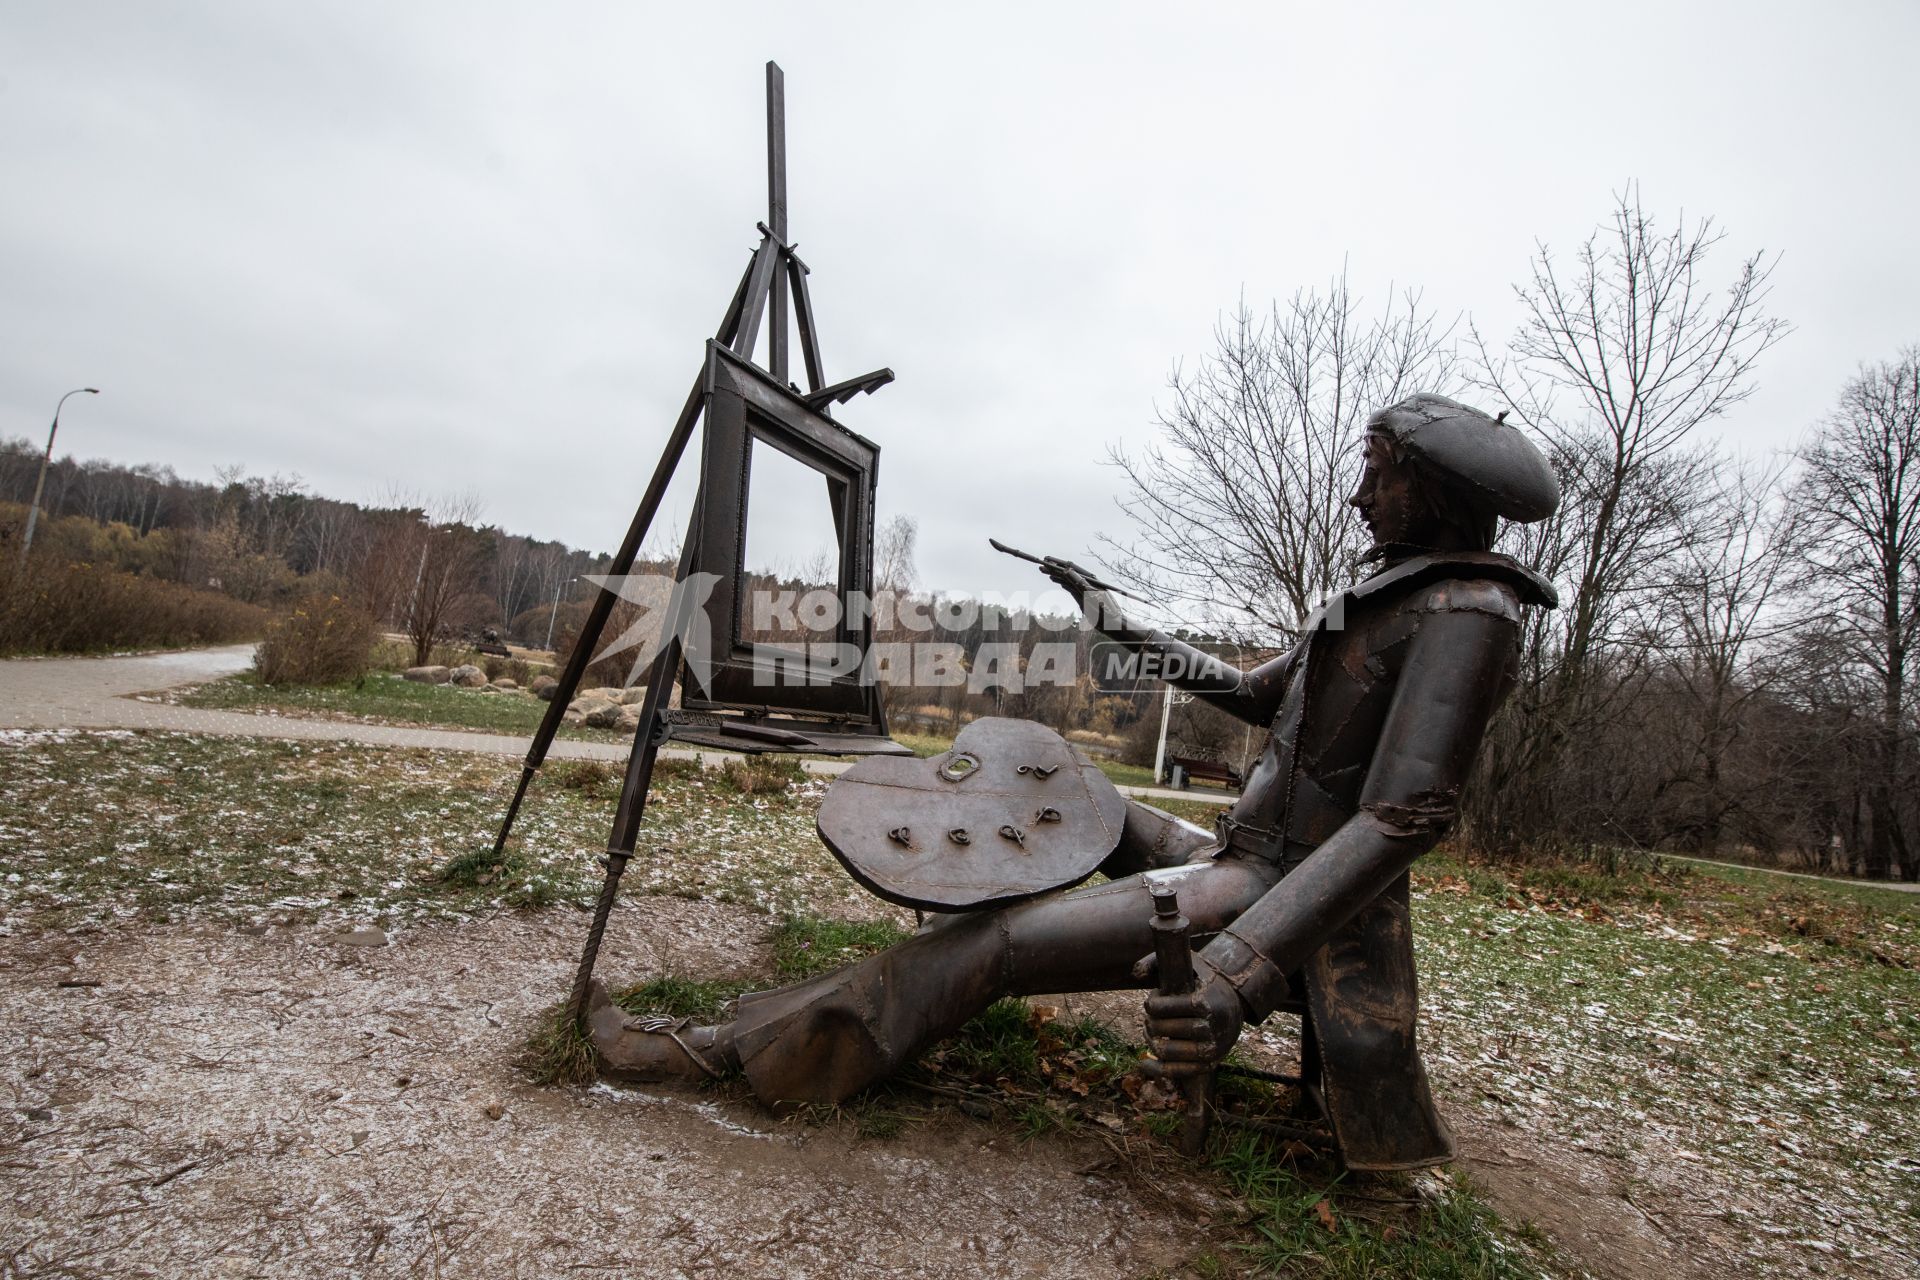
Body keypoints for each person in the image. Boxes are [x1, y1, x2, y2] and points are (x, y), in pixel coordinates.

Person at [587, 392, 1558, 1170]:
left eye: (1378, 476)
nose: (1357, 496)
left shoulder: (1468, 608)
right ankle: (817, 994)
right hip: (1238, 851)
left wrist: (1236, 968)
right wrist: (1110, 614)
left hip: (1280, 891)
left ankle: (737, 1053)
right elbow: (1249, 693)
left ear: (1430, 489)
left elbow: (1403, 813)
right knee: (1076, 784)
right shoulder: (1382, 592)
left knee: (1000, 942)